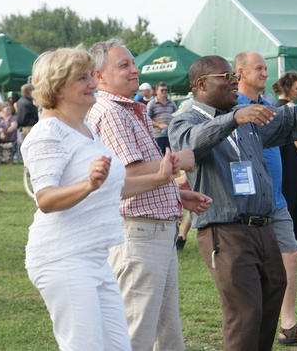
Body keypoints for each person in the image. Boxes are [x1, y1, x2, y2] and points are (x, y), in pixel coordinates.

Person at [169, 55, 297, 351]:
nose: (234, 82)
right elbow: (190, 145)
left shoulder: (246, 114)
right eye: (227, 77)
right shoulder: (186, 118)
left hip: (262, 226)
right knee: (244, 313)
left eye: (235, 76)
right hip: (225, 230)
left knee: (271, 300)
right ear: (202, 83)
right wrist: (232, 119)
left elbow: (292, 119)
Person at [22, 47, 192, 351]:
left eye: (90, 75)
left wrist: (161, 179)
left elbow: (114, 187)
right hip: (64, 257)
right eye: (82, 78)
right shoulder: (47, 133)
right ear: (58, 87)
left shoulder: (84, 129)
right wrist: (88, 184)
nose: (92, 83)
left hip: (95, 257)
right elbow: (45, 199)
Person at [87, 39, 211, 351]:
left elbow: (136, 176)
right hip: (140, 235)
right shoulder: (112, 113)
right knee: (136, 335)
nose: (134, 69)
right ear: (99, 76)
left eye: (132, 62)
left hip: (153, 234)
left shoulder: (129, 110)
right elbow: (127, 176)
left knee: (166, 336)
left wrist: (176, 195)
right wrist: (177, 161)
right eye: (124, 65)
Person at [234, 52, 297, 347]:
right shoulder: (232, 107)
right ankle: (253, 327)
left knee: (291, 254)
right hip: (248, 203)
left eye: (265, 68)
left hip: (277, 199)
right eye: (258, 68)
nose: (264, 73)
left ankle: (287, 325)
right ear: (240, 72)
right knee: (252, 268)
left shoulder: (268, 105)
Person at [270, 71, 297, 250]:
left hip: (284, 158)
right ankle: (293, 236)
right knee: (294, 196)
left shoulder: (276, 106)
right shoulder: (289, 108)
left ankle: (295, 236)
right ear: (288, 88)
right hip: (293, 159)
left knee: (290, 194)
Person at [147, 82, 177, 153]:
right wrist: (159, 125)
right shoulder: (152, 104)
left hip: (171, 135)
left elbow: (176, 117)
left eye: (166, 90)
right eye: (162, 90)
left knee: (172, 157)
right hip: (158, 136)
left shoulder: (172, 103)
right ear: (156, 91)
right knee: (159, 158)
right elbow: (147, 119)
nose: (164, 92)